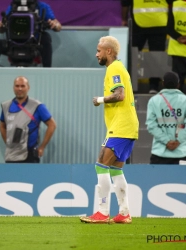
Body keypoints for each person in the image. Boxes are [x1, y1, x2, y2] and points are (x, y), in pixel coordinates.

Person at [79, 36, 139, 224]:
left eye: (99, 50)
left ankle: (102, 213)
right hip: (126, 126)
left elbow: (119, 95)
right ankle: (124, 213)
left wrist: (100, 99)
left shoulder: (114, 68)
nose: (96, 54)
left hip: (121, 127)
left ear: (109, 52)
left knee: (101, 164)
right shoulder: (118, 68)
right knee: (115, 170)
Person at [0, 1, 61, 68]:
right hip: (14, 43)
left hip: (34, 44)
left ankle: (47, 73)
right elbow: (1, 29)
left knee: (46, 37)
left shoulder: (43, 7)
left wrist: (55, 25)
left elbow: (58, 26)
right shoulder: (12, 6)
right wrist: (0, 26)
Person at [0, 76, 56, 163]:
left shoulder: (37, 106)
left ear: (28, 88)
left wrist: (42, 147)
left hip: (30, 155)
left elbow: (52, 125)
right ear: (13, 88)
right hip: (11, 154)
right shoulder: (6, 106)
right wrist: (8, 142)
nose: (20, 89)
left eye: (23, 86)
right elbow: (2, 126)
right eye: (17, 86)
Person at [121, 0, 173, 94]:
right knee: (157, 56)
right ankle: (153, 87)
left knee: (133, 56)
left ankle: (130, 84)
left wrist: (124, 19)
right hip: (159, 23)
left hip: (139, 24)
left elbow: (125, 4)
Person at [146, 71, 186, 164]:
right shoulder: (184, 100)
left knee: (157, 179)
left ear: (163, 84)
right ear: (178, 84)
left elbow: (151, 126)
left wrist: (167, 141)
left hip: (159, 153)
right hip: (182, 153)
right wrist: (178, 141)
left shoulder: (154, 101)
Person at [167, 0, 186, 93]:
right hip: (177, 51)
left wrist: (178, 37)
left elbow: (169, 27)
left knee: (179, 83)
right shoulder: (175, 4)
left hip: (177, 50)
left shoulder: (175, 4)